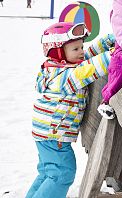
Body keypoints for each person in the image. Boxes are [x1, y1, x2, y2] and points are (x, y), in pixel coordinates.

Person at [26, 22, 114, 198]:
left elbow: (88, 56)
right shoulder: (66, 76)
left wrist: (110, 40)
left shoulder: (59, 66)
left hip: (46, 133)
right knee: (62, 174)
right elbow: (90, 68)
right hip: (54, 135)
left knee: (48, 173)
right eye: (75, 49)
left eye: (81, 46)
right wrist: (114, 55)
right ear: (58, 52)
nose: (81, 51)